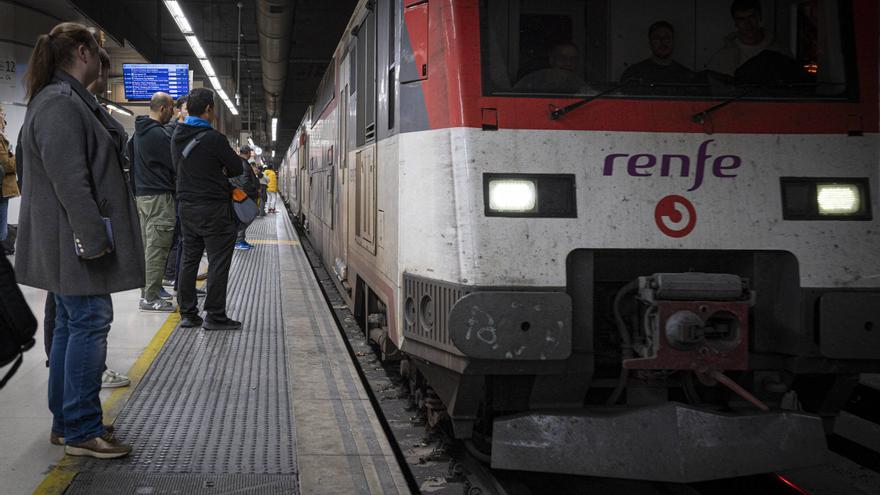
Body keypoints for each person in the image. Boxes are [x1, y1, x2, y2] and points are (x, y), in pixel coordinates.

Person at [17, 22, 144, 458]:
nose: (106, 70)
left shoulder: (64, 100)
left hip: (66, 243)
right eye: (100, 58)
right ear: (83, 52)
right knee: (89, 323)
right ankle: (82, 431)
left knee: (72, 326)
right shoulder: (59, 104)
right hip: (74, 245)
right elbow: (71, 183)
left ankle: (67, 422)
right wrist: (93, 240)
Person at [171, 87, 243, 330]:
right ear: (209, 109)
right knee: (218, 261)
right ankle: (215, 315)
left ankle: (188, 314)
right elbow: (237, 168)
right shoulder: (214, 139)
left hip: (186, 207)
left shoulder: (176, 136)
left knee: (189, 260)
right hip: (213, 209)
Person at [131, 92, 176, 312]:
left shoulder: (138, 133)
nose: (174, 113)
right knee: (156, 248)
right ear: (163, 108)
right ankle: (149, 298)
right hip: (158, 197)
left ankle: (152, 290)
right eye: (172, 108)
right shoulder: (158, 135)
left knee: (149, 246)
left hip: (143, 196)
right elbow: (175, 162)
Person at [707, 0, 795, 78]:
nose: (748, 24)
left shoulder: (780, 51)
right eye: (741, 19)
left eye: (751, 17)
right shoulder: (722, 58)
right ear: (736, 23)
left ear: (759, 18)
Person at [621, 21, 693, 85]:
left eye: (667, 38)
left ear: (673, 41)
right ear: (650, 43)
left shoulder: (686, 76)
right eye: (657, 38)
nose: (662, 42)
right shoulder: (634, 74)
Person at [514, 42, 589, 94]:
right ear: (552, 60)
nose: (568, 63)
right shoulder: (532, 83)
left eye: (573, 59)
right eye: (563, 58)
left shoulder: (579, 86)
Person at [232, 145, 259, 250]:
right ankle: (238, 240)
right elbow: (245, 181)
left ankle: (240, 240)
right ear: (247, 153)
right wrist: (253, 190)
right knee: (248, 216)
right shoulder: (243, 163)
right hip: (244, 194)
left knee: (244, 216)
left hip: (239, 193)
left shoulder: (238, 162)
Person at [0, 104, 19, 241]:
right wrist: (18, 157)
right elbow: (6, 165)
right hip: (1, 190)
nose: (5, 119)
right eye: (3, 115)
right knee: (2, 232)